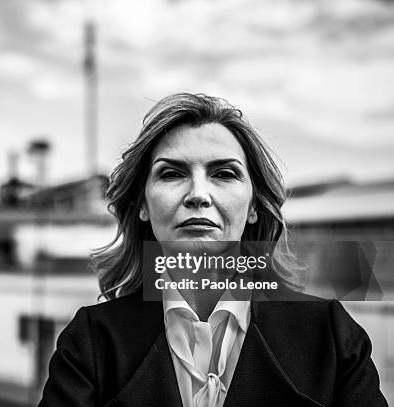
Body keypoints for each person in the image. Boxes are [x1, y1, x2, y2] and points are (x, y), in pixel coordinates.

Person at [37, 93, 387, 407]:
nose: (198, 195)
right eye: (172, 174)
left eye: (224, 174)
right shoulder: (91, 341)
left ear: (253, 206)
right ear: (142, 204)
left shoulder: (331, 336)